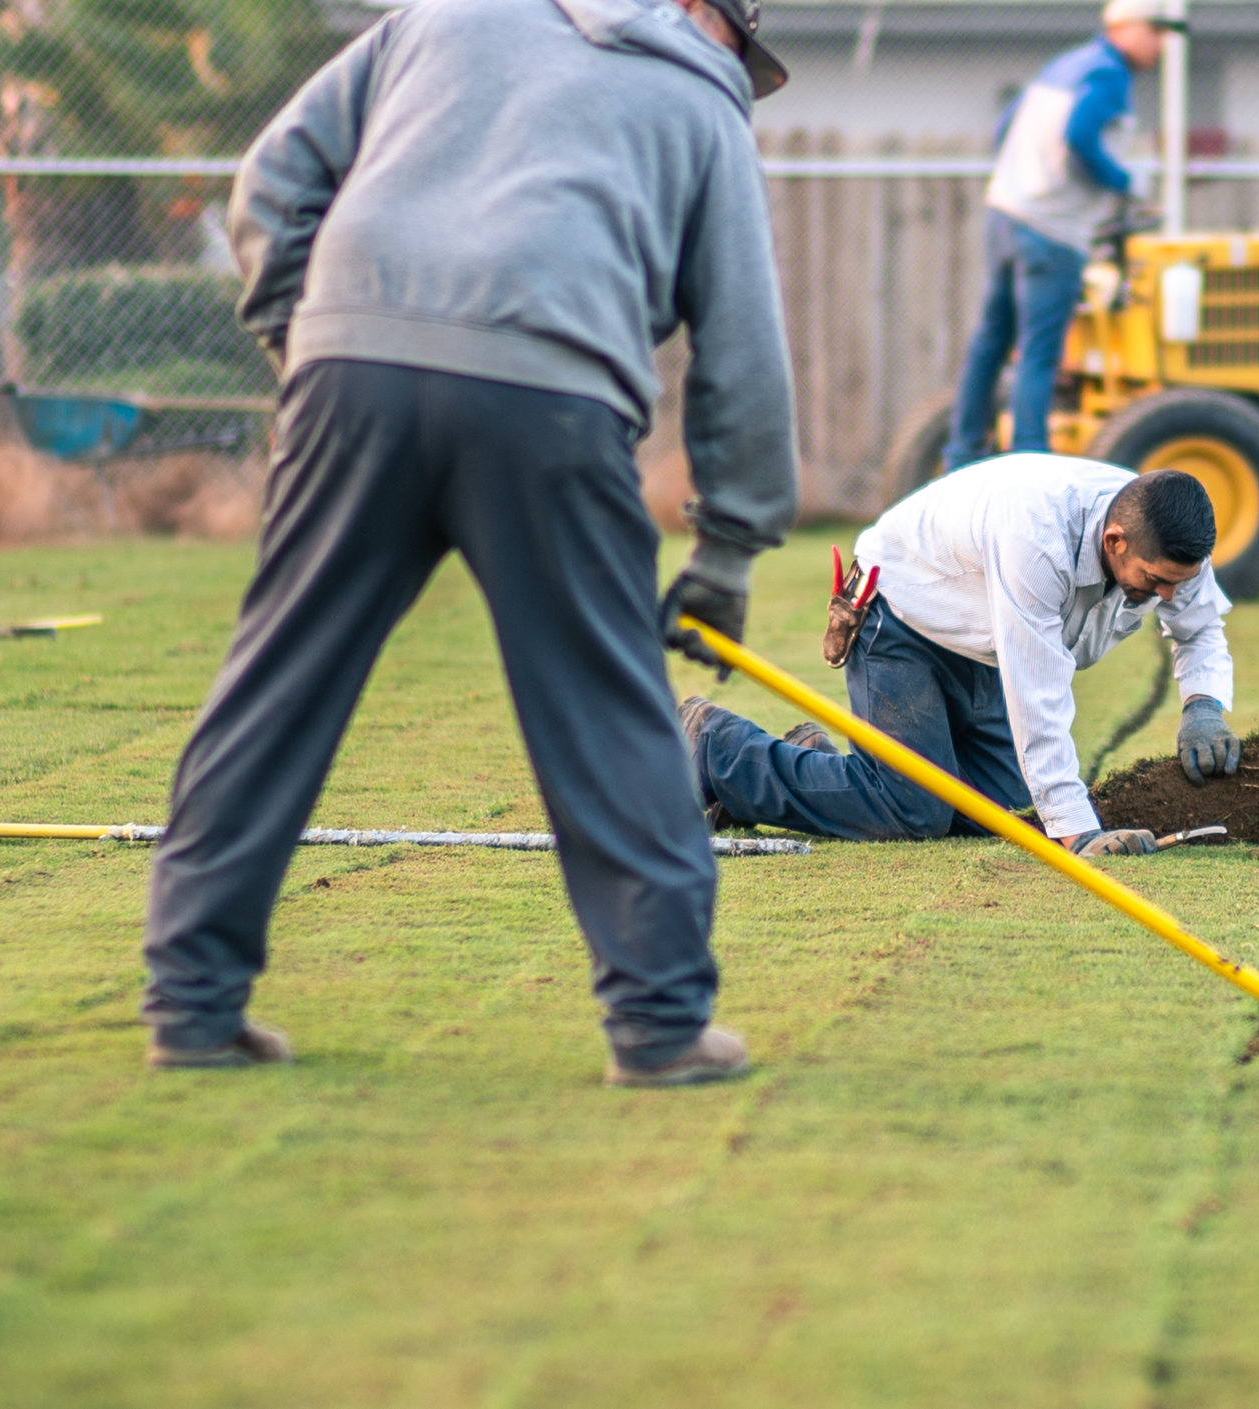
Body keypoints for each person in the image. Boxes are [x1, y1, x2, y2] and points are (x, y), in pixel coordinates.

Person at [139, 0, 798, 1088]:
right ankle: (661, 1024)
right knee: (604, 703)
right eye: (743, 39)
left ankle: (194, 1003)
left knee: (278, 682)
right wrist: (729, 548)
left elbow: (267, 185)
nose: (737, 61)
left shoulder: (441, 19)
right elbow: (743, 343)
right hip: (552, 394)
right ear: (696, 9)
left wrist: (302, 342)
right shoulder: (702, 98)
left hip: (354, 368)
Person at [684, 459, 1244, 852]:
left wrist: (1204, 706)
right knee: (915, 810)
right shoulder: (1039, 538)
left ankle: (816, 760)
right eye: (1155, 582)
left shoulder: (1170, 534)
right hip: (899, 614)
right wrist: (1077, 835)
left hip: (979, 640)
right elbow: (1037, 693)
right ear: (1115, 541)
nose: (1169, 595)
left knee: (1004, 816)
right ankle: (718, 747)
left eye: (1178, 582)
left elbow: (1200, 628)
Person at [943, 0, 1170, 471]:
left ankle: (963, 452)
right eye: (1156, 29)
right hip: (1052, 228)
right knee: (1040, 351)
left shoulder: (1065, 64)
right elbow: (1081, 135)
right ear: (1124, 27)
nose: (1162, 42)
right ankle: (1029, 460)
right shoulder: (1109, 74)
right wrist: (1128, 183)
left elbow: (1005, 126)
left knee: (991, 340)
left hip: (1006, 211)